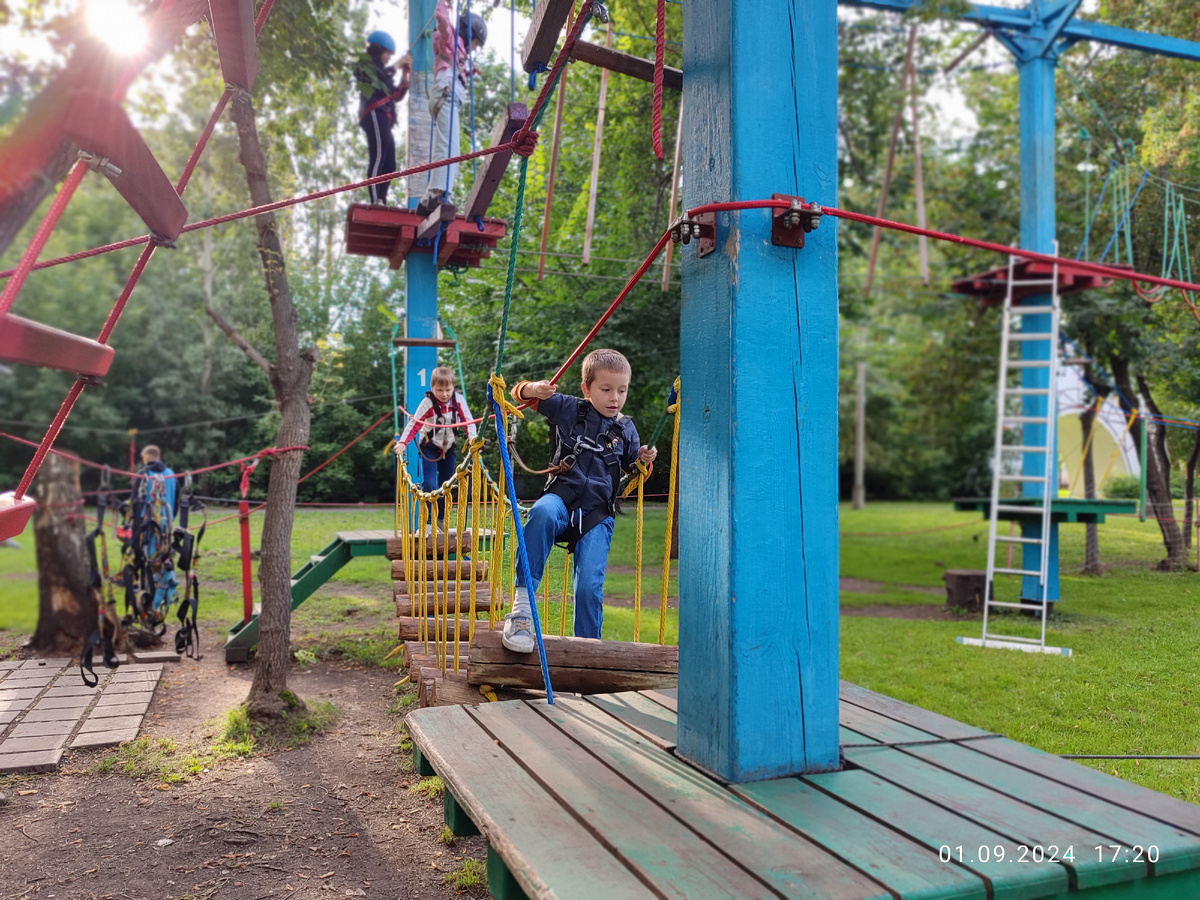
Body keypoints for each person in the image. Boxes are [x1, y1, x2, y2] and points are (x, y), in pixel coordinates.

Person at [503, 349, 657, 652]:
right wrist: (533, 389)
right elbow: (519, 395)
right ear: (586, 389)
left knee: (589, 585)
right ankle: (521, 612)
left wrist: (644, 459)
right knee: (542, 512)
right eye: (606, 389)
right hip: (561, 497)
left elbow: (635, 468)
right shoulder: (571, 409)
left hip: (597, 513)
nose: (615, 398)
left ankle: (585, 650)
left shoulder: (626, 429)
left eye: (622, 390)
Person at [415, 0, 486, 215]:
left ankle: (428, 197)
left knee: (443, 146)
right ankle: (438, 193)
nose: (475, 48)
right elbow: (443, 19)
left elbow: (455, 64)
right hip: (446, 96)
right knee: (450, 148)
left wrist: (469, 70)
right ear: (469, 33)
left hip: (447, 97)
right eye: (475, 42)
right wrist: (445, 3)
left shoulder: (458, 50)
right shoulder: (451, 38)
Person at [396, 367, 478, 531]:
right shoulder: (428, 403)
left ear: (453, 387)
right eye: (439, 390)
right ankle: (428, 521)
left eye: (448, 389)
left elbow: (469, 422)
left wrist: (473, 441)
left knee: (446, 485)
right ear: (432, 388)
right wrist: (403, 443)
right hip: (429, 448)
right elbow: (414, 424)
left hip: (448, 450)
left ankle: (440, 518)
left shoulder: (458, 400)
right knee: (429, 484)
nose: (444, 394)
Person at [355, 30, 412, 206]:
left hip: (383, 117)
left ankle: (381, 200)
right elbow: (378, 76)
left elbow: (395, 95)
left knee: (389, 164)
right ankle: (375, 200)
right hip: (373, 113)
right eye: (387, 54)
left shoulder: (384, 72)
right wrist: (397, 64)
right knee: (378, 156)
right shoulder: (365, 66)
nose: (388, 58)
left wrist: (405, 74)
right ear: (378, 50)